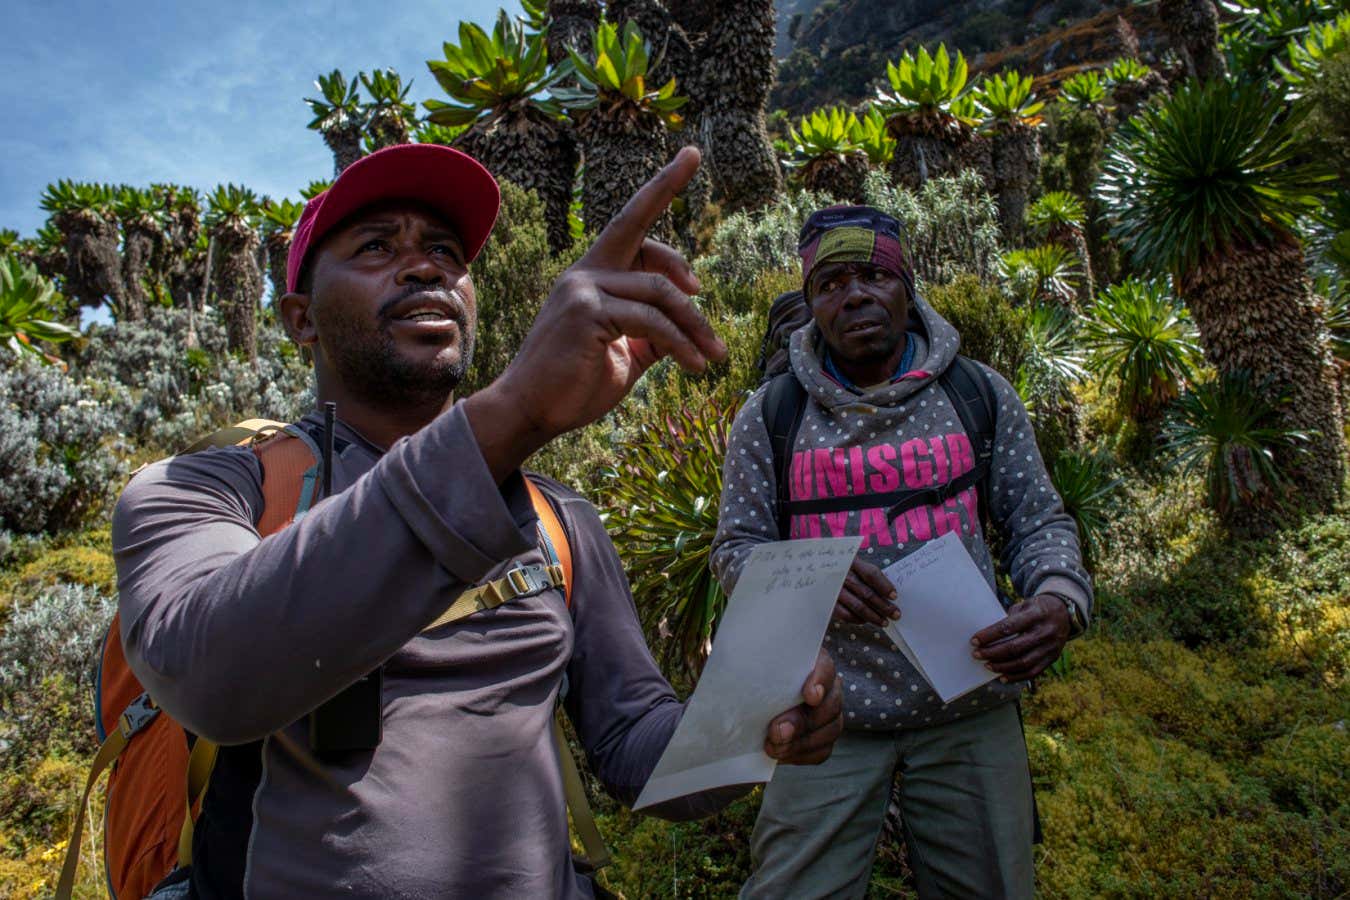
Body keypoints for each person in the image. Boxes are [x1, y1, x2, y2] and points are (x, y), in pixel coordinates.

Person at [112, 143, 844, 899]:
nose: (425, 267)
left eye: (444, 251)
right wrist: (517, 410)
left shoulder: (556, 517)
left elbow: (632, 744)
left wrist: (750, 714)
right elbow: (207, 671)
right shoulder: (211, 486)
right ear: (300, 320)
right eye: (375, 246)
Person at [710, 205, 1093, 899]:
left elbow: (1038, 520)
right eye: (829, 283)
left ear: (906, 286)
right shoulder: (771, 416)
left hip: (971, 709)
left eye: (872, 275)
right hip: (827, 717)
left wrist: (1060, 599)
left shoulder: (977, 393)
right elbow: (735, 551)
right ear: (811, 304)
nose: (853, 294)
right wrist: (811, 582)